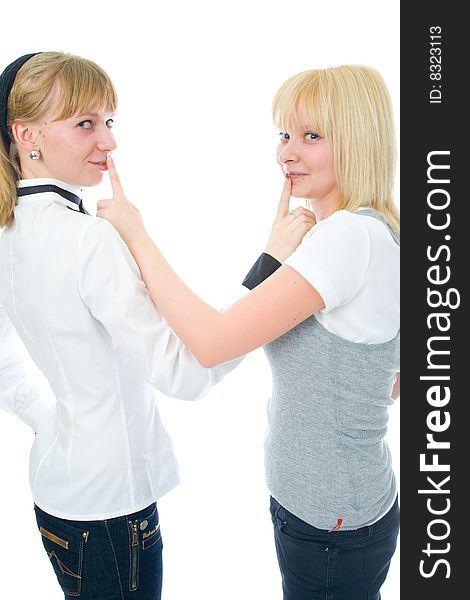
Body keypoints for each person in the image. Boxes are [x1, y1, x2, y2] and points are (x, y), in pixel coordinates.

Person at [0, 51, 314, 599]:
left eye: (109, 121)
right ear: (26, 134)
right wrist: (269, 267)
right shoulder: (89, 239)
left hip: (57, 493)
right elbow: (189, 372)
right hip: (109, 512)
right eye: (84, 124)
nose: (110, 142)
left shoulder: (9, 228)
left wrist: (51, 422)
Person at [98, 64, 401, 600]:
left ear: (357, 140)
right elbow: (392, 376)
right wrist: (276, 256)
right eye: (284, 134)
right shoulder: (379, 231)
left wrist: (134, 231)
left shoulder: (347, 240)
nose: (287, 153)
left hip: (329, 523)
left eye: (311, 136)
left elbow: (212, 344)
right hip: (342, 510)